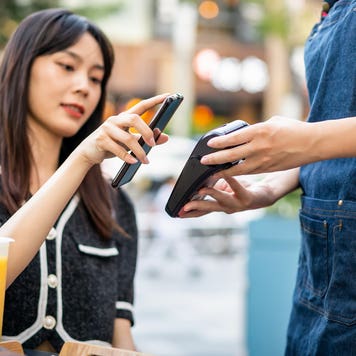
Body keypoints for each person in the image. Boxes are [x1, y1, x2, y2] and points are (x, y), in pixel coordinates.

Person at [180, 0, 356, 354]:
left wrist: (306, 140)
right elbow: (331, 124)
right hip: (321, 265)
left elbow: (318, 137)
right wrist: (268, 188)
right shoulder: (329, 10)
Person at [0, 8, 169, 353]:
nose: (83, 87)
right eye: (67, 66)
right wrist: (82, 158)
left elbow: (122, 338)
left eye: (95, 78)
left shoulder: (113, 204)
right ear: (21, 65)